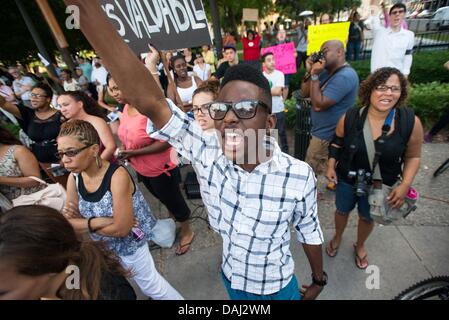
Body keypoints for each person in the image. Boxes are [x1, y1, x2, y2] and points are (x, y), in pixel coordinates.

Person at [75, 0, 326, 299]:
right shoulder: (207, 148)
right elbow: (152, 102)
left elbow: (310, 233)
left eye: (246, 107)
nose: (229, 117)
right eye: (222, 108)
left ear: (269, 121)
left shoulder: (298, 176)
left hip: (275, 287)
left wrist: (319, 280)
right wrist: (85, 8)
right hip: (230, 276)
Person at [58, 120, 183, 300]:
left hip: (131, 246)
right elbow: (69, 222)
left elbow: (122, 229)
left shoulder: (117, 176)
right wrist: (104, 221)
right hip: (104, 247)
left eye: (71, 152)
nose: (64, 160)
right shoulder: (74, 177)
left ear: (93, 150)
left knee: (151, 287)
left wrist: (84, 223)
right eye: (61, 154)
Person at [325, 67, 423, 269]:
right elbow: (337, 142)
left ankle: (360, 245)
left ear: (401, 93)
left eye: (394, 89)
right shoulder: (350, 116)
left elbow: (413, 156)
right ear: (370, 90)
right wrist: (331, 165)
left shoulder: (410, 121)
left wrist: (405, 184)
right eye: (381, 87)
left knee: (367, 217)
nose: (388, 93)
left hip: (381, 184)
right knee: (342, 210)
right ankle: (337, 236)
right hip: (347, 179)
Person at [108, 75, 195, 256]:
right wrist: (125, 148)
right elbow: (127, 134)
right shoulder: (125, 107)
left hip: (160, 168)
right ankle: (175, 218)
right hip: (141, 167)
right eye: (111, 88)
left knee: (174, 200)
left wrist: (134, 153)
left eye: (118, 87)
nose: (114, 93)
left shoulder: (148, 109)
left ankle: (187, 230)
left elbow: (166, 141)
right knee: (161, 198)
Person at [0, 205, 137, 300]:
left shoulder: (109, 293)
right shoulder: (75, 273)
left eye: (3, 292)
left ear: (47, 265)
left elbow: (121, 228)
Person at [300, 40, 359, 177]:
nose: (321, 56)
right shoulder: (327, 72)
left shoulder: (345, 76)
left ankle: (314, 196)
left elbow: (319, 105)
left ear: (339, 52)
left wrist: (315, 76)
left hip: (325, 137)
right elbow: (304, 93)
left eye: (325, 51)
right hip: (320, 132)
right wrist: (310, 72)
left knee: (310, 174)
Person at [0, 83, 66, 186]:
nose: (33, 99)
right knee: (64, 186)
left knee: (79, 182)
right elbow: (3, 103)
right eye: (32, 95)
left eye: (38, 96)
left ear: (48, 99)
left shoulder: (61, 115)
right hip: (44, 161)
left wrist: (65, 156)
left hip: (64, 157)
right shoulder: (27, 114)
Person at [57, 91, 116, 162]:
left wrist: (95, 165)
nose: (62, 110)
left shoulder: (97, 122)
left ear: (80, 104)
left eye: (66, 105)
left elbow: (111, 147)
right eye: (60, 106)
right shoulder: (65, 125)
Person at [0, 126, 45, 202]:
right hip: (10, 208)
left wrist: (2, 180)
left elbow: (35, 181)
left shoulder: (17, 150)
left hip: (36, 201)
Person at [370, 3, 415, 77]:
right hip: (377, 77)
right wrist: (379, 6)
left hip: (396, 77)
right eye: (394, 12)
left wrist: (406, 74)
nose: (397, 14)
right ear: (390, 16)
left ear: (404, 14)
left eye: (400, 12)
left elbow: (408, 56)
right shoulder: (379, 33)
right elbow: (375, 15)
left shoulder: (409, 35)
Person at [262, 52, 289, 154]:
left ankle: (285, 153)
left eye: (273, 59)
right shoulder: (261, 76)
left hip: (278, 109)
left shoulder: (279, 74)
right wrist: (270, 91)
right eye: (269, 60)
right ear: (264, 64)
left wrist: (264, 90)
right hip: (266, 110)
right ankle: (271, 153)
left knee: (281, 133)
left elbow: (278, 91)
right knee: (268, 133)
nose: (272, 62)